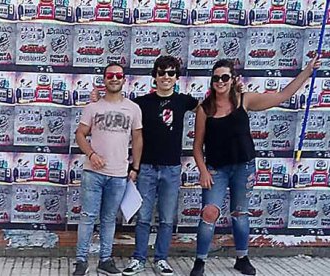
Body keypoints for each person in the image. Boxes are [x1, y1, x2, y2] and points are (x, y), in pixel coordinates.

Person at [190, 56, 321, 276]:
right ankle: (200, 262)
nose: (220, 82)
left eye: (224, 77)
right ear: (211, 81)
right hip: (216, 169)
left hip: (244, 166)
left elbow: (282, 96)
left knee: (240, 213)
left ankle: (242, 258)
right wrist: (203, 170)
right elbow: (196, 146)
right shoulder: (205, 109)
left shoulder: (244, 100)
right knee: (209, 213)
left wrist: (307, 71)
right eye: (216, 78)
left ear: (233, 79)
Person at [122, 56, 200, 276]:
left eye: (171, 73)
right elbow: (117, 110)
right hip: (146, 167)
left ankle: (161, 259)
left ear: (177, 77)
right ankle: (138, 258)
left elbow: (215, 107)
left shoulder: (184, 101)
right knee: (143, 217)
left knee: (166, 218)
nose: (166, 77)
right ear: (154, 76)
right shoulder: (141, 103)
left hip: (172, 169)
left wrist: (236, 90)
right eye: (162, 72)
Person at [73, 62, 143, 276]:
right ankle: (81, 262)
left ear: (124, 80)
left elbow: (138, 138)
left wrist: (135, 167)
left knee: (109, 218)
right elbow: (80, 135)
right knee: (87, 216)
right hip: (93, 174)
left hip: (118, 174)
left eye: (118, 75)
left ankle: (105, 260)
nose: (114, 78)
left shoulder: (133, 108)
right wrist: (91, 154)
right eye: (110, 75)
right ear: (104, 80)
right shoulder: (92, 108)